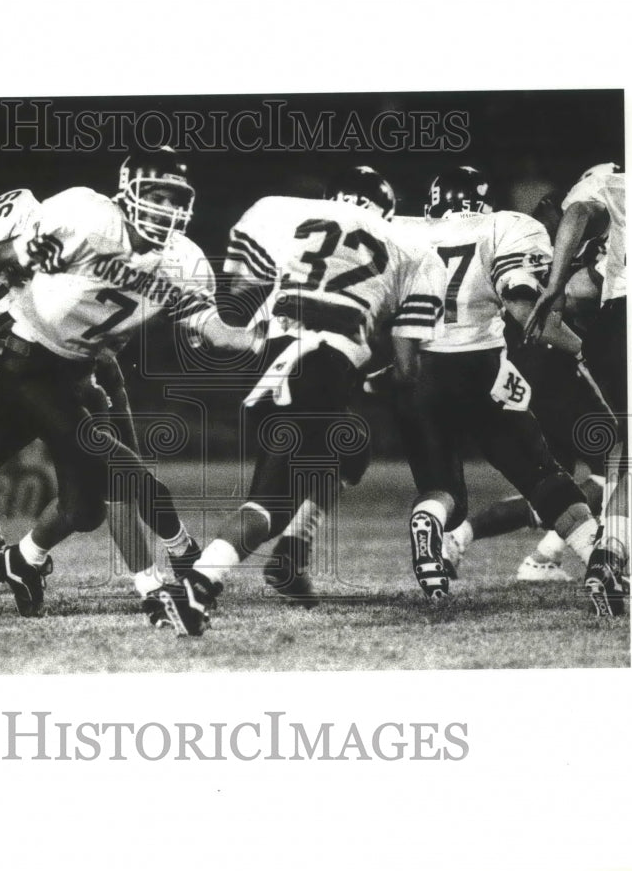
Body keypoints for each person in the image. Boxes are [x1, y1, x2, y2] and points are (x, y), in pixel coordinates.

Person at [0, 147, 259, 632]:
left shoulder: (182, 260)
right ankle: (154, 591)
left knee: (82, 508)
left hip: (80, 373)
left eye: (176, 199)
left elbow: (214, 332)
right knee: (122, 469)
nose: (167, 209)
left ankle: (23, 559)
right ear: (128, 189)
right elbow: (0, 255)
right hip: (26, 362)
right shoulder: (87, 218)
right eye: (157, 195)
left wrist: (264, 336)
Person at [0, 184, 169, 598]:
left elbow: (25, 246)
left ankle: (173, 567)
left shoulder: (9, 215)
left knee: (109, 491)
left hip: (69, 367)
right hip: (14, 381)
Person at [191, 165, 446, 604]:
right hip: (323, 365)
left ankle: (291, 556)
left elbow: (241, 288)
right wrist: (371, 382)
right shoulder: (413, 247)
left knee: (350, 448)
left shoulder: (280, 210)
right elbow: (407, 368)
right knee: (269, 504)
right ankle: (201, 580)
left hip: (274, 359)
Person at [385, 166, 600, 604]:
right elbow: (526, 314)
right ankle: (601, 559)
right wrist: (581, 349)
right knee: (542, 476)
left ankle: (428, 519)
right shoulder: (505, 226)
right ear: (480, 201)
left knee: (442, 490)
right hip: (479, 366)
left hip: (420, 372)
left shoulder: (403, 233)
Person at [443, 188, 615, 582]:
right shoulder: (572, 254)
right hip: (554, 365)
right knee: (612, 474)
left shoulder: (529, 243)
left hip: (535, 366)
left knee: (558, 482)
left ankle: (521, 552)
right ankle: (542, 555)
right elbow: (566, 299)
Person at [525, 163, 628, 617]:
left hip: (627, 318)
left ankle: (607, 555)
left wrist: (554, 284)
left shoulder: (604, 186)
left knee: (631, 453)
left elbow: (580, 211)